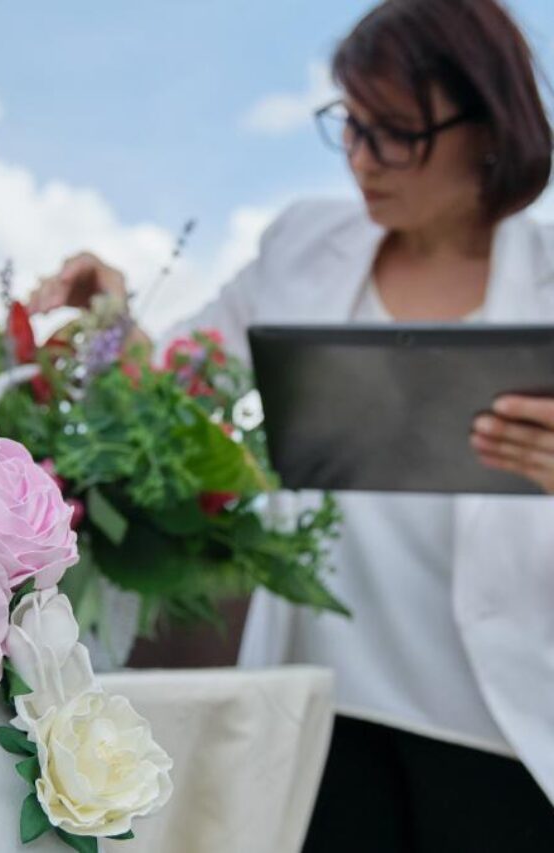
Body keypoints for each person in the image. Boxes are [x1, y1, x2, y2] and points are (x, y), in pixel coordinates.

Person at [28, 0, 554, 849]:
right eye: (350, 124)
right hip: (326, 708)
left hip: (502, 723)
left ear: (489, 128)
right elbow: (179, 385)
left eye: (394, 133)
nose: (360, 159)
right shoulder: (304, 243)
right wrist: (113, 320)